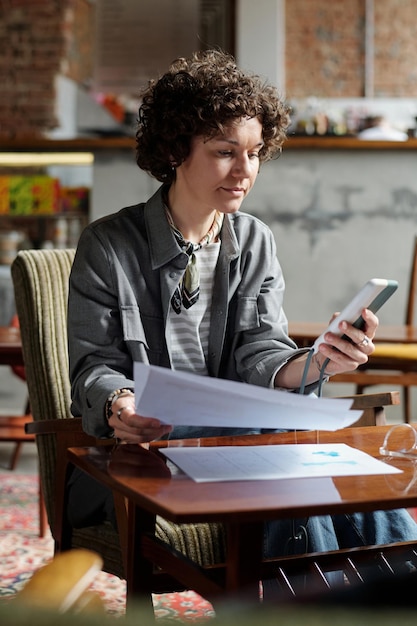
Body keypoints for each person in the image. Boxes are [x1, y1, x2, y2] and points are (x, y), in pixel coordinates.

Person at [67, 49, 417, 573]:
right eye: (224, 151)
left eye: (254, 153)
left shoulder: (254, 240)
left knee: (333, 475)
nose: (244, 171)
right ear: (176, 149)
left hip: (237, 443)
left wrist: (322, 360)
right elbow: (94, 366)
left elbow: (262, 351)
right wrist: (120, 405)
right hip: (142, 451)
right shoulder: (108, 244)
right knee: (293, 464)